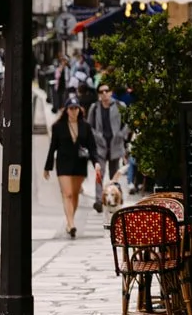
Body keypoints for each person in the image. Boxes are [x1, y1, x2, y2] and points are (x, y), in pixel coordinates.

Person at [43, 90, 97, 237]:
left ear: (80, 109)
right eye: (71, 108)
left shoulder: (85, 126)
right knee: (66, 193)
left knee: (74, 194)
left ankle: (69, 222)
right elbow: (53, 147)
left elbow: (92, 147)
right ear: (66, 110)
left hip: (80, 163)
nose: (73, 111)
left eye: (76, 108)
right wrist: (48, 167)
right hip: (63, 163)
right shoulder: (58, 127)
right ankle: (71, 223)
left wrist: (96, 163)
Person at [90, 81, 130, 182]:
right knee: (99, 175)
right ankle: (99, 198)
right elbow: (89, 126)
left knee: (114, 176)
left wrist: (121, 135)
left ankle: (116, 197)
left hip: (115, 145)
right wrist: (96, 136)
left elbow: (128, 123)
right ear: (98, 94)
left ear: (111, 92)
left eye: (106, 91)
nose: (104, 93)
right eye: (101, 91)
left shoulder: (120, 105)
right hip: (100, 146)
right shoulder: (94, 108)